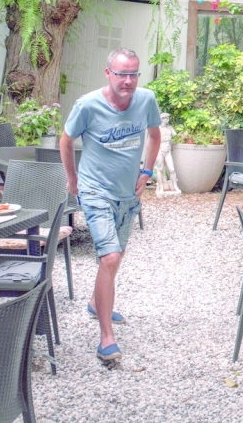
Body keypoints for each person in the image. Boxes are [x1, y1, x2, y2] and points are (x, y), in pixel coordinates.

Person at [60, 48, 161, 363]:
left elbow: (154, 136)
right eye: (121, 74)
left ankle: (96, 302)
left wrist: (147, 171)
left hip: (127, 194)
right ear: (108, 73)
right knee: (110, 256)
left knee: (116, 256)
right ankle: (106, 339)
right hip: (95, 191)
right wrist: (73, 179)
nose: (128, 80)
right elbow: (66, 141)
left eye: (133, 74)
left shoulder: (146, 100)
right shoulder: (87, 105)